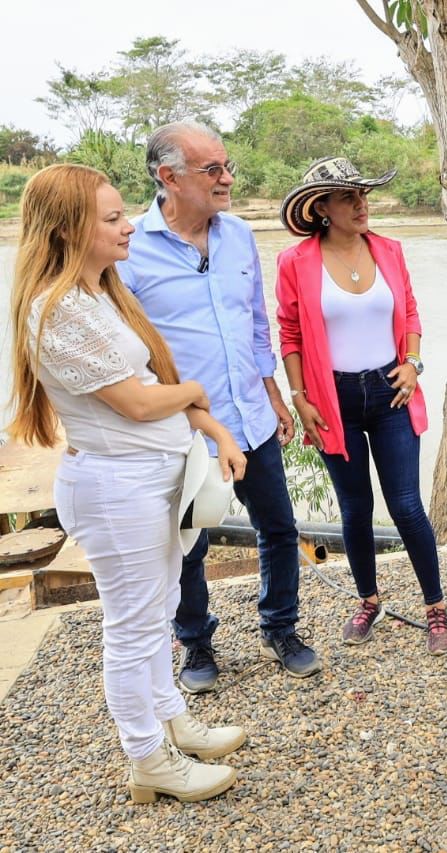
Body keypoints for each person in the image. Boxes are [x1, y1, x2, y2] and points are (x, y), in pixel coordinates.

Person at [7, 164, 248, 802]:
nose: (130, 225)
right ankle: (148, 758)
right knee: (134, 625)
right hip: (119, 488)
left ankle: (172, 721)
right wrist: (197, 390)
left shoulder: (103, 294)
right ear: (67, 230)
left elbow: (151, 391)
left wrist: (213, 428)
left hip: (149, 483)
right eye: (111, 218)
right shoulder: (56, 311)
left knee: (158, 609)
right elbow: (139, 404)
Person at [117, 121, 320, 691]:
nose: (227, 178)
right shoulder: (131, 251)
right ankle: (197, 643)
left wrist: (275, 393)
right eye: (213, 170)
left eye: (227, 166)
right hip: (184, 430)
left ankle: (281, 627)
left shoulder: (237, 236)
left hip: (250, 416)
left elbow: (257, 323)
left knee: (279, 527)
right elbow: (128, 355)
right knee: (188, 543)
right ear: (169, 177)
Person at [275, 157, 447, 654]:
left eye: (363, 195)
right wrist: (299, 397)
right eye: (348, 197)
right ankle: (368, 600)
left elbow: (411, 311)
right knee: (355, 509)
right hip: (333, 400)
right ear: (322, 209)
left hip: (390, 391)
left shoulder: (390, 250)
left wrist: (414, 363)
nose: (361, 205)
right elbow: (289, 333)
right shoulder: (295, 263)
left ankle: (436, 609)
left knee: (406, 505)